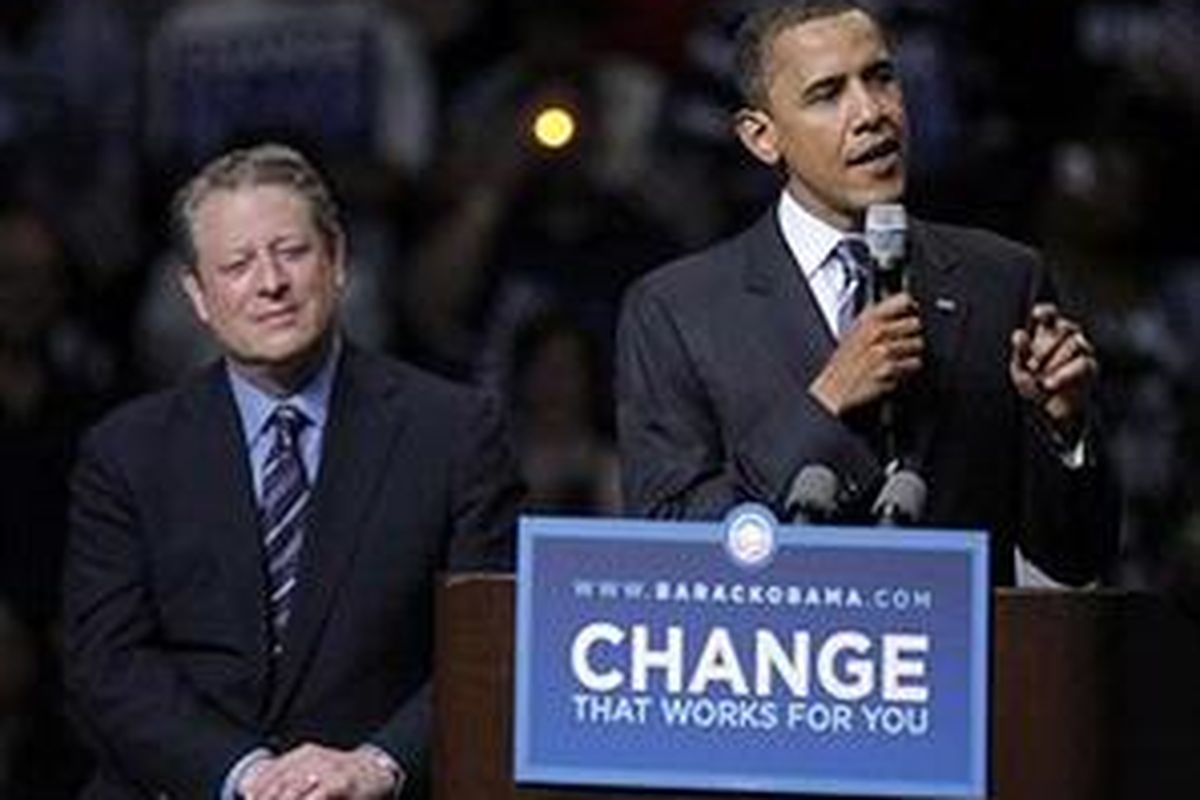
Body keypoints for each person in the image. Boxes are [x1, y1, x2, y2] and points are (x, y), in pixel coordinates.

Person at [62, 143, 523, 799]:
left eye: (292, 252)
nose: (270, 282)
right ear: (197, 293)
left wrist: (376, 765)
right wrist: (244, 776)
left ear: (336, 261)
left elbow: (490, 647)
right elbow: (107, 664)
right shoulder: (127, 452)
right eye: (238, 264)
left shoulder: (454, 431)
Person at [616, 0, 1117, 586]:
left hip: (957, 665)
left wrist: (1065, 429)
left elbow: (1077, 558)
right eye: (828, 94)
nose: (872, 113)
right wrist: (826, 403)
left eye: (880, 78)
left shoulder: (1003, 280)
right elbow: (668, 549)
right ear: (762, 137)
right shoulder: (678, 309)